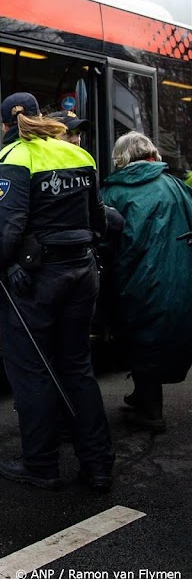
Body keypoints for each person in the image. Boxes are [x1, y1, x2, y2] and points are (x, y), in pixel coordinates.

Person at [0, 92, 114, 493]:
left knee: (32, 372)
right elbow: (99, 219)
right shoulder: (77, 155)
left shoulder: (12, 158)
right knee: (77, 369)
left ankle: (41, 465)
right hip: (82, 273)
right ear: (39, 115)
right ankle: (98, 465)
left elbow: (3, 231)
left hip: (36, 282)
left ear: (3, 126)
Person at [98, 133, 192, 433]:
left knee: (141, 338)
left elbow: (103, 241)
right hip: (178, 277)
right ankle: (143, 397)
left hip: (134, 280)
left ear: (121, 157)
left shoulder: (114, 193)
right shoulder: (175, 185)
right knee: (157, 337)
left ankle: (152, 413)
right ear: (153, 154)